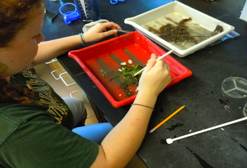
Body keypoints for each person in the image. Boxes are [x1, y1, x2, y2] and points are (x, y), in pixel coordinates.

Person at [0, 0, 171, 168]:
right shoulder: (16, 132)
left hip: (51, 116)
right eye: (34, 36)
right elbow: (106, 162)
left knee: (77, 105)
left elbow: (32, 56)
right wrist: (148, 92)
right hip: (34, 144)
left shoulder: (8, 63)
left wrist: (83, 38)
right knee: (112, 128)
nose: (42, 39)